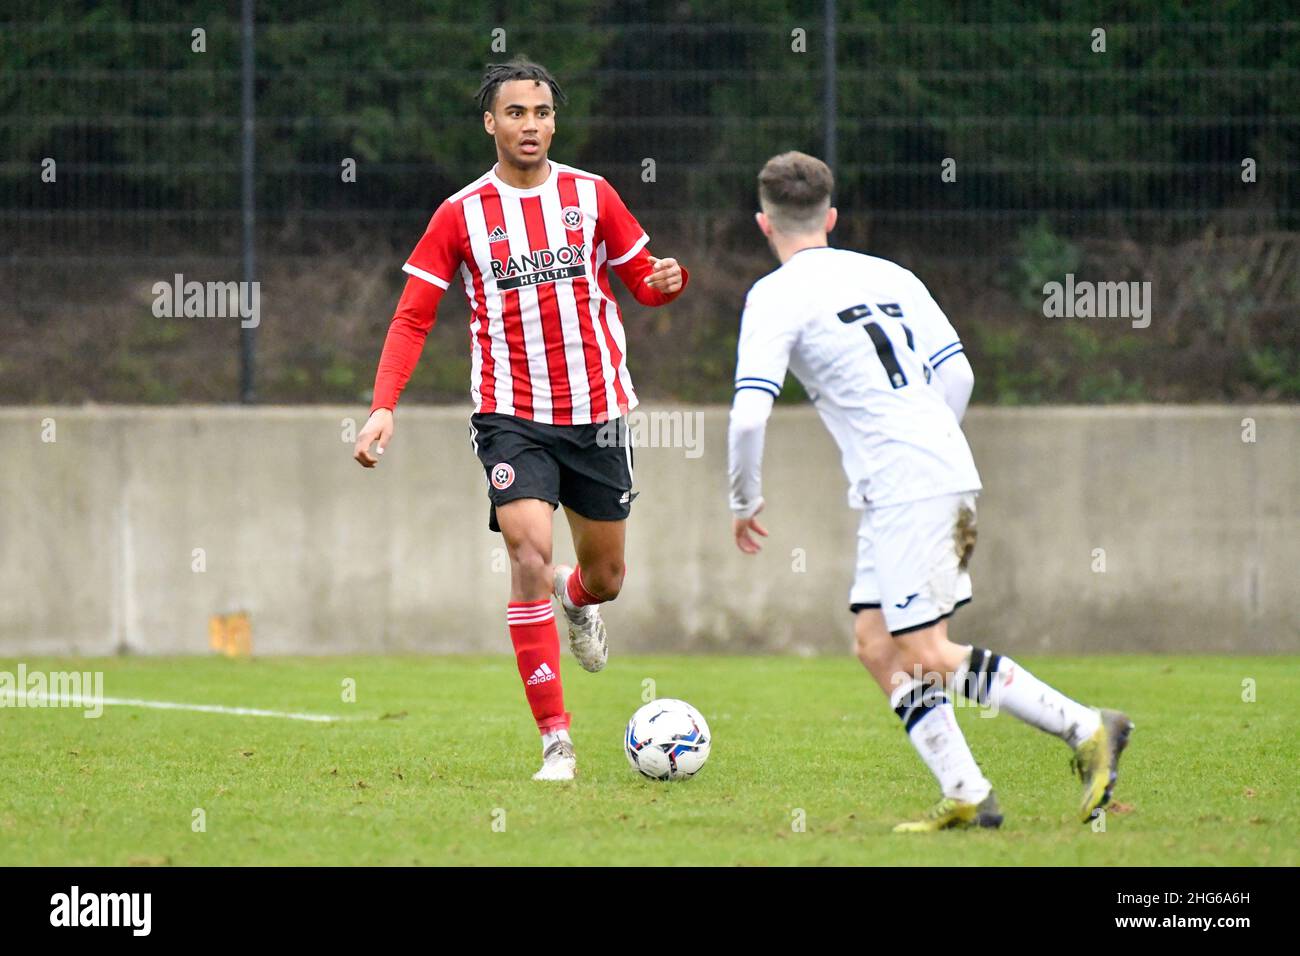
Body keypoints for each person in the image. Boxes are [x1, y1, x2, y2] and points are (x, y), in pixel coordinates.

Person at [727, 151, 1131, 830]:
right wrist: (929, 445)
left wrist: (743, 502)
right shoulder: (892, 275)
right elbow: (960, 377)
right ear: (831, 217)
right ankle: (967, 791)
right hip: (923, 468)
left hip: (906, 480)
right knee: (877, 644)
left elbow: (747, 414)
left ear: (763, 223)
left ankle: (1088, 726)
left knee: (926, 652)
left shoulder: (774, 295)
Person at [353, 59, 688, 781]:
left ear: (553, 122)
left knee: (606, 578)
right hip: (512, 415)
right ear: (490, 123)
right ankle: (556, 740)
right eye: (514, 113)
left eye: (540, 112)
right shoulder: (459, 214)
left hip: (597, 413)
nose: (528, 125)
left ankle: (578, 602)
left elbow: (643, 282)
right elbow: (413, 316)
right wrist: (385, 406)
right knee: (528, 553)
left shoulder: (593, 196)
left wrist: (668, 281)